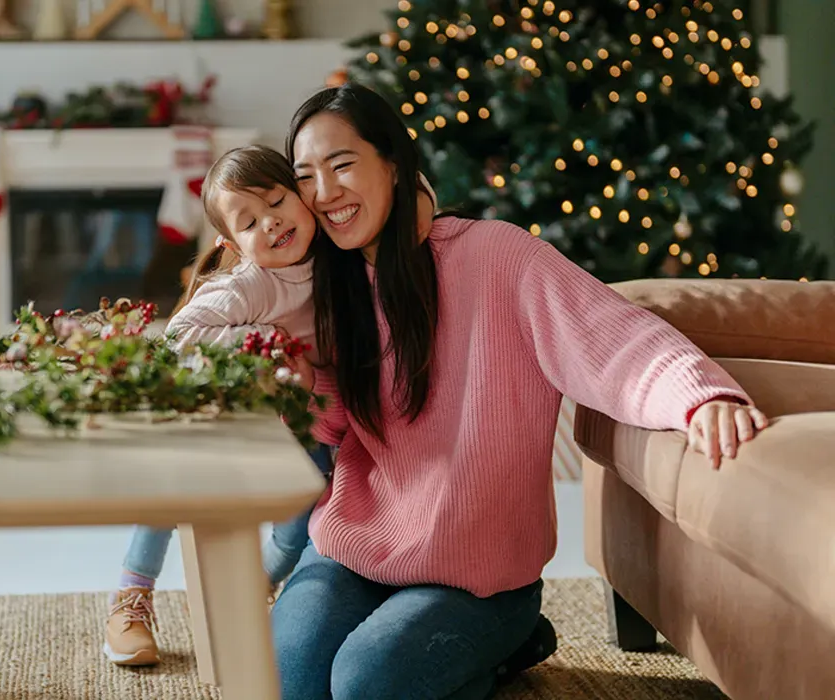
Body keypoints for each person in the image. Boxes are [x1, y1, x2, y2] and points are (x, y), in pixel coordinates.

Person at [272, 83, 770, 700]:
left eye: (342, 164)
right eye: (306, 176)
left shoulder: (496, 256)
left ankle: (512, 641)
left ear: (395, 165)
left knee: (365, 684)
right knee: (288, 680)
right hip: (353, 548)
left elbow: (613, 339)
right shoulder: (328, 285)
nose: (325, 193)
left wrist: (702, 396)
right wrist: (294, 393)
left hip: (473, 578)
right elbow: (330, 421)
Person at [103, 144, 438, 667]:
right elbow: (179, 335)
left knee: (299, 523)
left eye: (277, 201)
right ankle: (131, 596)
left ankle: (244, 591)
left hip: (307, 422)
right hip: (231, 416)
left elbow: (412, 201)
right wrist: (268, 339)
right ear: (231, 244)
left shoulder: (339, 252)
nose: (272, 224)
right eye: (250, 222)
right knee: (172, 489)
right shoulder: (253, 283)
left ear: (303, 197)